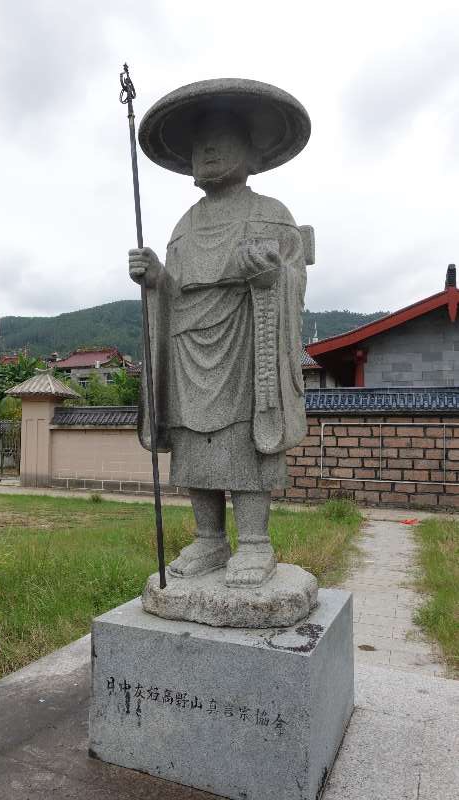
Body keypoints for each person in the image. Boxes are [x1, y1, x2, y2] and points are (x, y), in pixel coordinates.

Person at [129, 79, 313, 588]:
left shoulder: (271, 214)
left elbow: (292, 276)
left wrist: (270, 276)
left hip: (246, 346)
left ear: (252, 151)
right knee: (194, 444)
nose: (207, 150)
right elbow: (175, 290)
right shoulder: (184, 225)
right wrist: (155, 278)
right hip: (189, 346)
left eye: (222, 139)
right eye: (199, 143)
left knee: (246, 439)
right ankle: (209, 538)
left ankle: (255, 541)